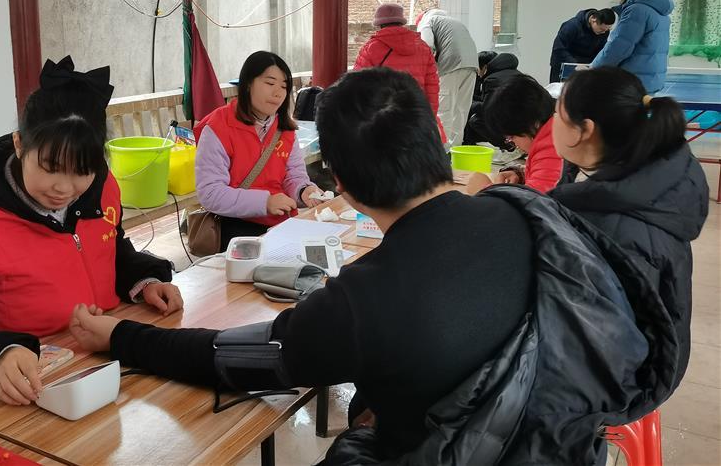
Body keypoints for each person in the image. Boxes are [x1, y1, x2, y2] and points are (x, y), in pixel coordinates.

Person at [67, 67, 676, 466]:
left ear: (345, 185)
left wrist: (119, 336)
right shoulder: (524, 211)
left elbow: (231, 359)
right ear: (436, 143)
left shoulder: (369, 297)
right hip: (564, 445)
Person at [0, 56, 182, 405]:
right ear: (20, 145)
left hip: (105, 366)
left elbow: (109, 247)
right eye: (50, 167)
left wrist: (144, 282)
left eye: (82, 171)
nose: (64, 188)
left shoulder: (101, 188)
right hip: (26, 387)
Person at [550, 67, 708, 393]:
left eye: (557, 113)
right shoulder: (636, 177)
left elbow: (590, 341)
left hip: (624, 382)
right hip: (637, 356)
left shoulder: (609, 229)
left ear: (584, 131)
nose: (551, 121)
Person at [194, 51, 322, 251]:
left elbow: (293, 175)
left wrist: (304, 190)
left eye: (284, 86)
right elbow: (210, 193)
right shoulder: (218, 127)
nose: (278, 93)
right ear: (247, 84)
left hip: (281, 226)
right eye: (270, 83)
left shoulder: (285, 130)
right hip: (236, 228)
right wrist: (265, 202)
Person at [354, 3, 445, 142]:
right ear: (401, 22)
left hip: (384, 119)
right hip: (416, 117)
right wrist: (429, 116)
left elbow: (358, 87)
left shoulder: (371, 49)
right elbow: (432, 87)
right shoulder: (423, 47)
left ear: (379, 24)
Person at [466, 74, 563, 194]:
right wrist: (519, 174)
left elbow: (533, 201)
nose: (514, 144)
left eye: (511, 137)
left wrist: (485, 190)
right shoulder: (551, 132)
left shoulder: (552, 147)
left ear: (533, 124)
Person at [590, 0, 673, 93]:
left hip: (632, 85)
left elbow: (618, 47)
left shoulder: (636, 10)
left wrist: (593, 69)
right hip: (650, 82)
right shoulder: (659, 10)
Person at [416, 8, 478, 149]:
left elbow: (427, 44)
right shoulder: (455, 22)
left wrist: (425, 70)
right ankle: (455, 149)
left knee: (444, 109)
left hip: (450, 64)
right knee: (461, 109)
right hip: (472, 64)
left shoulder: (428, 21)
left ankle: (440, 150)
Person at [463, 51, 522, 149]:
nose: (477, 71)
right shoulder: (514, 73)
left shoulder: (492, 80)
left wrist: (470, 103)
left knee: (475, 119)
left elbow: (489, 108)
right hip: (522, 117)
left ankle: (510, 146)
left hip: (511, 119)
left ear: (485, 67)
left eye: (478, 67)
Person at [549, 7, 616, 82]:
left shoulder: (604, 32)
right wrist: (575, 64)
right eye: (601, 29)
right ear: (593, 19)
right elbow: (559, 49)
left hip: (585, 68)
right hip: (564, 65)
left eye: (607, 30)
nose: (604, 32)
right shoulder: (571, 26)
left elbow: (600, 51)